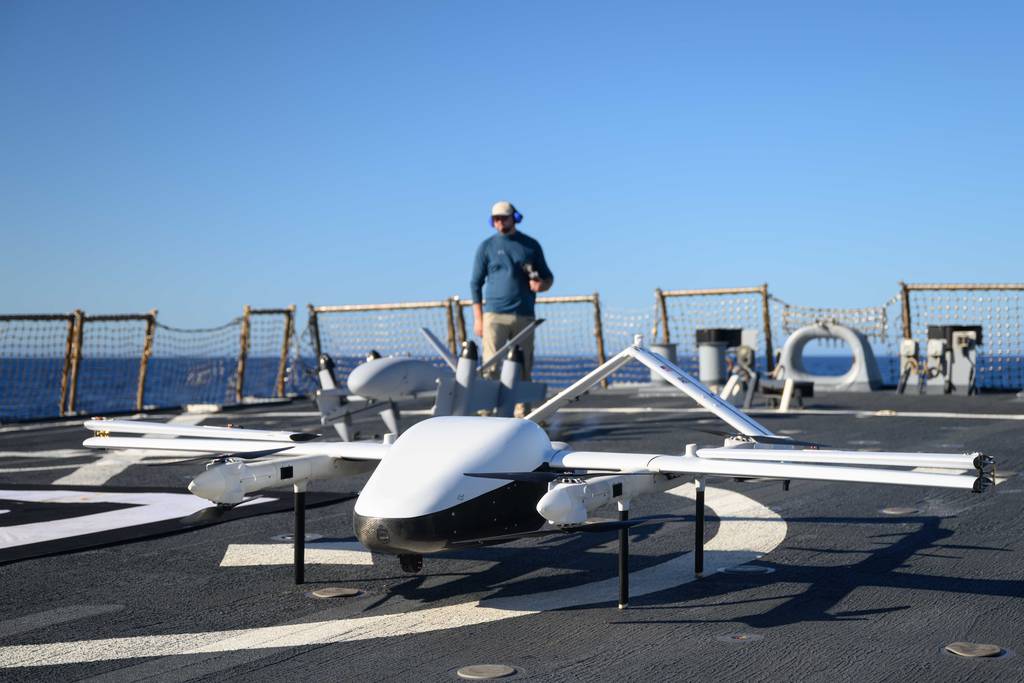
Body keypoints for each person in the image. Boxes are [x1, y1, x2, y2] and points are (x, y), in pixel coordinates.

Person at [470, 201, 554, 381]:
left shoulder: (530, 245)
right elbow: (475, 284)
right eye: (495, 219)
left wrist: (541, 286)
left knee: (523, 367)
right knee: (490, 367)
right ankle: (486, 408)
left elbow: (548, 278)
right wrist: (478, 319)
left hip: (524, 315)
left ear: (514, 218)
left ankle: (522, 409)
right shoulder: (486, 247)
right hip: (494, 315)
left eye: (503, 218)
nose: (499, 222)